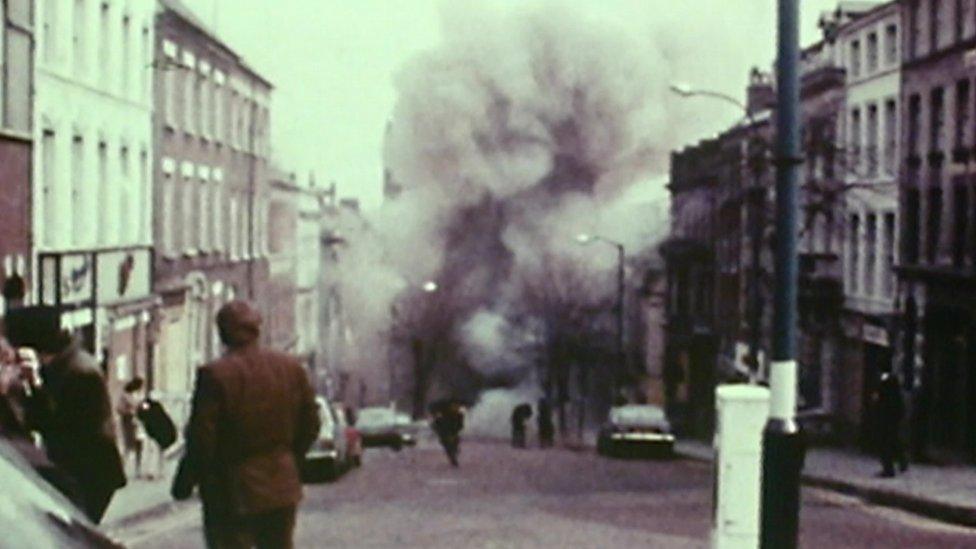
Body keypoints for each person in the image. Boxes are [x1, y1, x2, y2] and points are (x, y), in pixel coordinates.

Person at [172, 300, 320, 549]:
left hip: (232, 491)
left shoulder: (215, 375)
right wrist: (289, 460)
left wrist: (185, 482)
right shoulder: (291, 368)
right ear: (257, 330)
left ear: (223, 333)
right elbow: (311, 423)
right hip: (281, 487)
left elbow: (202, 439)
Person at [4, 306, 126, 524]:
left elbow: (59, 426)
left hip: (89, 474)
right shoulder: (62, 366)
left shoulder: (79, 373)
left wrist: (35, 388)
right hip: (76, 470)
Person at [874, 371, 908, 478]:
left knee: (886, 444)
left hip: (886, 419)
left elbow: (879, 401)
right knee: (894, 441)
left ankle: (889, 469)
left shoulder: (886, 385)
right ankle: (902, 461)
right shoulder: (896, 393)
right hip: (893, 420)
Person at [118, 377, 147, 479]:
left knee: (139, 445)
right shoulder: (126, 396)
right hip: (129, 422)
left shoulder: (134, 395)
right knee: (129, 446)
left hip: (136, 423)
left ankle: (137, 470)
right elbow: (122, 408)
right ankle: (122, 469)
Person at [430, 400, 465, 467]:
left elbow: (460, 425)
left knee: (455, 444)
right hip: (443, 432)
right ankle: (452, 458)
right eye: (454, 406)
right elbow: (436, 423)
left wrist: (456, 431)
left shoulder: (459, 415)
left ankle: (453, 454)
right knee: (448, 445)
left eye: (457, 406)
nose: (456, 408)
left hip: (453, 432)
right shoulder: (444, 414)